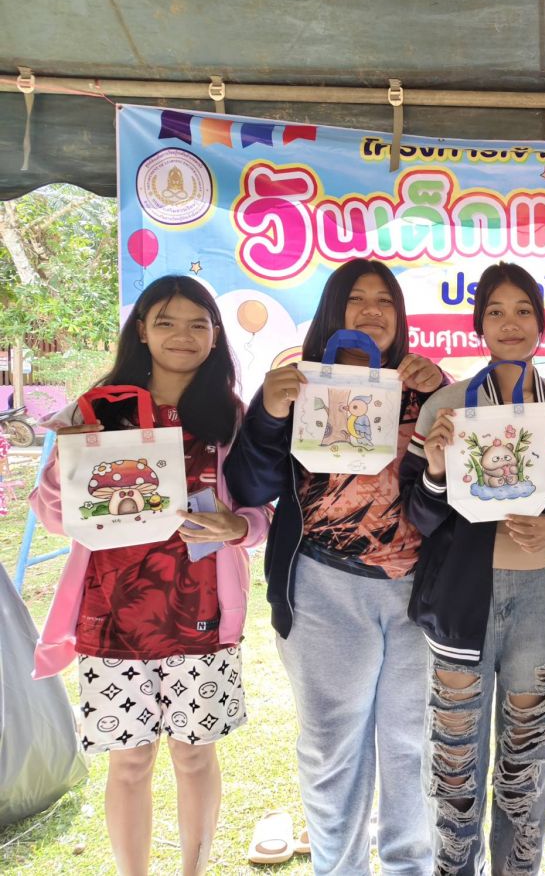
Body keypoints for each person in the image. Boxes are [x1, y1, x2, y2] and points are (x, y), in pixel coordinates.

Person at [30, 275, 271, 876]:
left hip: (202, 612)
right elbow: (54, 515)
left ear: (215, 336)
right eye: (166, 322)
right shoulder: (97, 407)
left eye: (197, 324)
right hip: (111, 613)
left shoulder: (231, 416)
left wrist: (235, 527)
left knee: (194, 756)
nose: (182, 336)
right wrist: (67, 463)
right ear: (141, 330)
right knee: (129, 762)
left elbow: (259, 517)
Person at [223, 258, 445, 875]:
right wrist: (269, 413)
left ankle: (410, 866)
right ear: (332, 311)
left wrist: (442, 391)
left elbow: (456, 485)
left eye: (385, 300)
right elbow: (249, 486)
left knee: (412, 744)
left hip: (417, 595)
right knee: (331, 750)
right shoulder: (296, 383)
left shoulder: (424, 384)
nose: (372, 310)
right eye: (357, 298)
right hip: (323, 589)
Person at [400, 261, 545, 875]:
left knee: (525, 767)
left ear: (541, 322)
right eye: (495, 311)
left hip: (540, 603)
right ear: (479, 325)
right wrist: (437, 469)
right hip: (459, 604)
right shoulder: (445, 407)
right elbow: (418, 517)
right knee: (454, 768)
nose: (510, 323)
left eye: (522, 311)